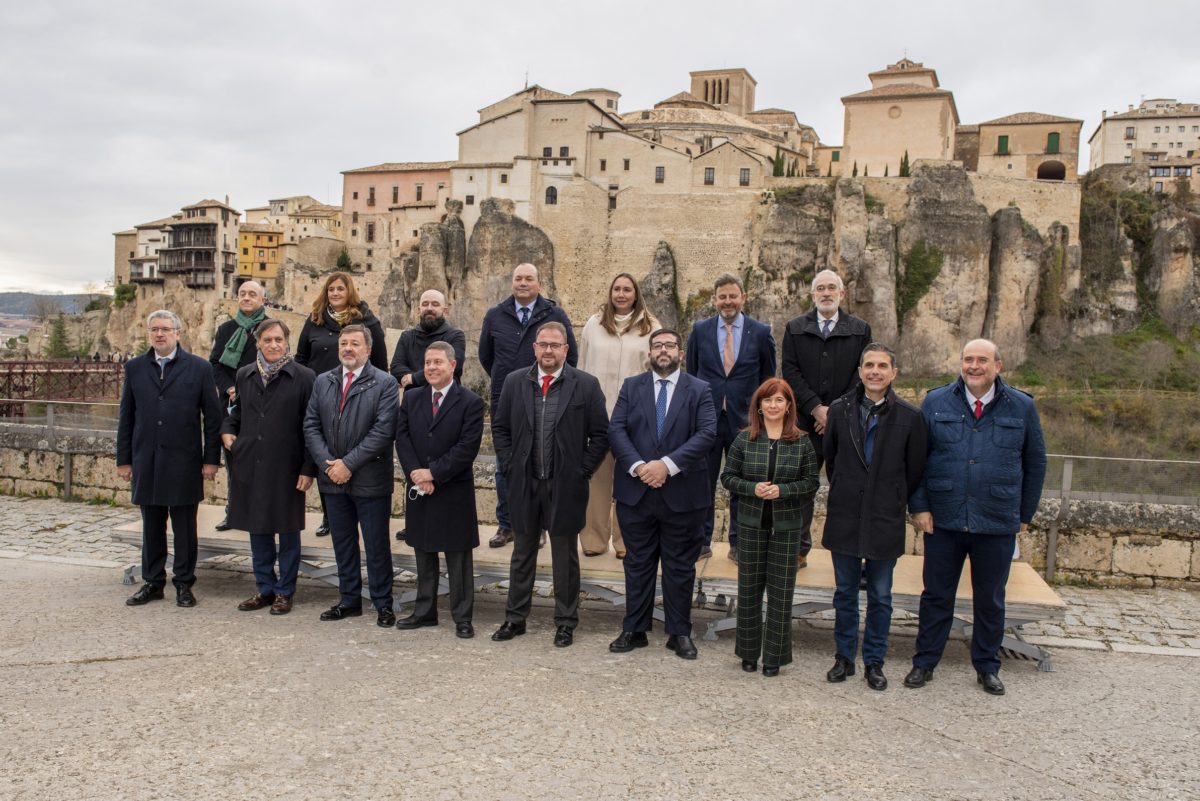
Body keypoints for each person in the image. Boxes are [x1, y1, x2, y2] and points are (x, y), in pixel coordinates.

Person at [904, 339, 1047, 697]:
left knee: (990, 598)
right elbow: (917, 459)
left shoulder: (1022, 406)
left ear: (998, 365)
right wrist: (919, 506)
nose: (974, 366)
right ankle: (924, 662)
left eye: (982, 360)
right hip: (944, 517)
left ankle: (987, 667)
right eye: (968, 359)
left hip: (996, 518)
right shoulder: (936, 402)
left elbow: (1036, 462)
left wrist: (1024, 513)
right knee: (936, 595)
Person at [491, 322, 609, 647]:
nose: (548, 350)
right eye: (543, 344)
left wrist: (581, 470)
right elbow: (500, 428)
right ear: (534, 348)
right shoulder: (516, 382)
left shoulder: (585, 385)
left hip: (565, 485)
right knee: (522, 553)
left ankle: (566, 622)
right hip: (525, 483)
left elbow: (600, 434)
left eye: (555, 345)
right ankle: (515, 619)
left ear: (566, 350)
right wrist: (511, 464)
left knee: (565, 557)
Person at [822, 343, 928, 690]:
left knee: (881, 595)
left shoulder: (910, 417)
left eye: (882, 365)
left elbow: (914, 471)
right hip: (846, 514)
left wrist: (893, 496)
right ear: (860, 370)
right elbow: (832, 460)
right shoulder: (839, 410)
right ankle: (844, 658)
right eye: (869, 365)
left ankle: (875, 662)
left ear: (893, 373)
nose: (875, 371)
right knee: (845, 593)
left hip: (885, 516)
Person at [607, 328, 716, 660]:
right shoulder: (631, 386)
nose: (663, 350)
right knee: (637, 564)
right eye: (657, 346)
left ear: (680, 353)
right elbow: (616, 429)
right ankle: (635, 629)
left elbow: (707, 432)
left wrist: (666, 466)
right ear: (649, 354)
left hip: (682, 495)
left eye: (670, 345)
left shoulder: (699, 389)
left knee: (680, 566)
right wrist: (641, 467)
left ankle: (679, 632)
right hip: (636, 493)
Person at [118, 310, 222, 608]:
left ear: (178, 332)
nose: (159, 334)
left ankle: (184, 583)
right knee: (151, 526)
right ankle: (152, 582)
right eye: (154, 329)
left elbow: (212, 419)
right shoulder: (135, 368)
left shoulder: (199, 368)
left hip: (184, 460)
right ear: (149, 333)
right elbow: (126, 417)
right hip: (146, 460)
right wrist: (124, 459)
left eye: (165, 329)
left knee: (185, 528)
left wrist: (210, 460)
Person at [302, 324, 399, 627]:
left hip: (369, 479)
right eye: (344, 343)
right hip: (332, 479)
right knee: (343, 544)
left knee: (376, 545)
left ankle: (383, 603)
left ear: (368, 350)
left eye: (355, 344)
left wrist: (348, 464)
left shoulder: (384, 383)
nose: (347, 348)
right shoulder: (324, 381)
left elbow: (383, 432)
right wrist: (328, 463)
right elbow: (311, 425)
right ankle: (349, 600)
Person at [721, 378, 819, 676]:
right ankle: (748, 652)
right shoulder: (744, 439)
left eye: (779, 400)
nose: (773, 405)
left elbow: (811, 482)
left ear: (789, 405)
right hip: (751, 526)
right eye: (768, 400)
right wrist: (752, 488)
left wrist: (783, 491)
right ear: (759, 406)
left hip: (787, 529)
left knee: (781, 594)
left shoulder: (801, 441)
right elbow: (728, 478)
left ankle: (774, 656)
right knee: (749, 591)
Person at [220, 319, 317, 616]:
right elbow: (235, 415)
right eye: (267, 340)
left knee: (288, 531)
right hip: (250, 462)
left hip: (287, 465)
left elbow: (312, 426)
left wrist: (308, 468)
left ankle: (285, 591)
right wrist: (227, 432)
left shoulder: (304, 377)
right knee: (257, 529)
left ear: (287, 342)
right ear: (258, 343)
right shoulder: (245, 374)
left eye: (278, 339)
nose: (273, 345)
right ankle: (264, 587)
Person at [478, 263, 577, 548]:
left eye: (529, 278)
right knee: (504, 465)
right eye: (518, 278)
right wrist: (508, 383)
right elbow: (487, 357)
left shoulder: (554, 314)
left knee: (543, 465)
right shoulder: (495, 315)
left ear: (539, 282)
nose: (523, 283)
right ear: (512, 282)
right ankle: (507, 524)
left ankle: (541, 525)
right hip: (506, 402)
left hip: (548, 399)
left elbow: (571, 357)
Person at [781, 269, 873, 568]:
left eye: (831, 288)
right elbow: (790, 372)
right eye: (820, 288)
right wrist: (815, 409)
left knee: (847, 488)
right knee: (801, 488)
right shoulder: (795, 328)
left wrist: (833, 411)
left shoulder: (860, 329)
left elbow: (863, 374)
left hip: (846, 424)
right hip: (806, 425)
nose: (826, 293)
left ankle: (848, 553)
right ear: (812, 295)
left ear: (842, 294)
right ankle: (798, 549)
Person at [394, 342, 484, 638]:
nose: (431, 368)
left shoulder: (470, 402)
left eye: (438, 363)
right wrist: (417, 475)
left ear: (452, 365)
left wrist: (434, 472)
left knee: (458, 557)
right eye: (428, 363)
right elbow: (402, 438)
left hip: (452, 489)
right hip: (420, 488)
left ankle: (462, 616)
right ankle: (424, 611)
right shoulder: (413, 397)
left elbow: (466, 448)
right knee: (423, 550)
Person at [685, 273, 776, 562]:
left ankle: (739, 543)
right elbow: (691, 374)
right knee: (702, 482)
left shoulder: (760, 332)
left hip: (744, 420)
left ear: (743, 298)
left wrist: (763, 418)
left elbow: (768, 379)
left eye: (732, 296)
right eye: (722, 297)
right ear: (715, 300)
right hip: (706, 419)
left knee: (743, 484)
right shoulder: (700, 330)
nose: (727, 302)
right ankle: (700, 542)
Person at [296, 271, 387, 536]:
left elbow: (380, 363)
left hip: (360, 398)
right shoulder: (314, 321)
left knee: (353, 454)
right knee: (324, 454)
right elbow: (301, 358)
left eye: (340, 289)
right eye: (331, 289)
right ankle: (329, 516)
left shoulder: (367, 321)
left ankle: (355, 516)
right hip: (321, 397)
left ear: (350, 292)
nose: (335, 293)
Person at [577, 273, 659, 559]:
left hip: (634, 417)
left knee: (631, 481)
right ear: (610, 293)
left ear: (636, 294)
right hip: (597, 414)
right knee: (596, 481)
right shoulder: (594, 324)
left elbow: (656, 374)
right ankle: (594, 540)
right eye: (617, 289)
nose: (621, 294)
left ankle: (625, 541)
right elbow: (582, 366)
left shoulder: (651, 327)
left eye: (627, 289)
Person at [388, 288, 466, 542]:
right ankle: (414, 523)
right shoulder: (408, 336)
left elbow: (457, 365)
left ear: (445, 309)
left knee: (442, 463)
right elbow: (395, 366)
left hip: (447, 408)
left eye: (435, 303)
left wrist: (415, 378)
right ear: (418, 308)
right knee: (413, 461)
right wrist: (416, 378)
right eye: (425, 304)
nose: (429, 308)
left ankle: (445, 522)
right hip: (415, 407)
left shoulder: (455, 335)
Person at [210, 280, 268, 532]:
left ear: (262, 300)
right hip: (232, 406)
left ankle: (260, 514)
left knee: (262, 462)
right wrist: (231, 388)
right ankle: (232, 513)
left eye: (252, 294)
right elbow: (215, 364)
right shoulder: (226, 330)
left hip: (262, 406)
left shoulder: (270, 329)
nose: (246, 297)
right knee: (233, 461)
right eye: (242, 293)